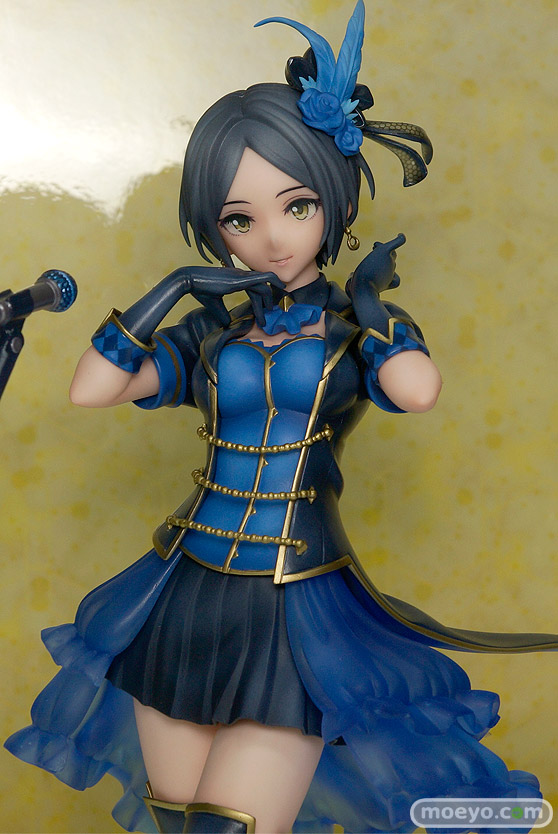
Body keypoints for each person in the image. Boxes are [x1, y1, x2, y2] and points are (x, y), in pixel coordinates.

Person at [5, 3, 558, 833]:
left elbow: (417, 390)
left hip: (296, 601)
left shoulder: (353, 333)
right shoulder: (210, 332)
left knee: (233, 824)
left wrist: (368, 303)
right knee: (177, 820)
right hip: (181, 592)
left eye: (296, 206)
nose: (270, 238)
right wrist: (174, 289)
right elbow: (92, 388)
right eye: (239, 218)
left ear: (334, 200)